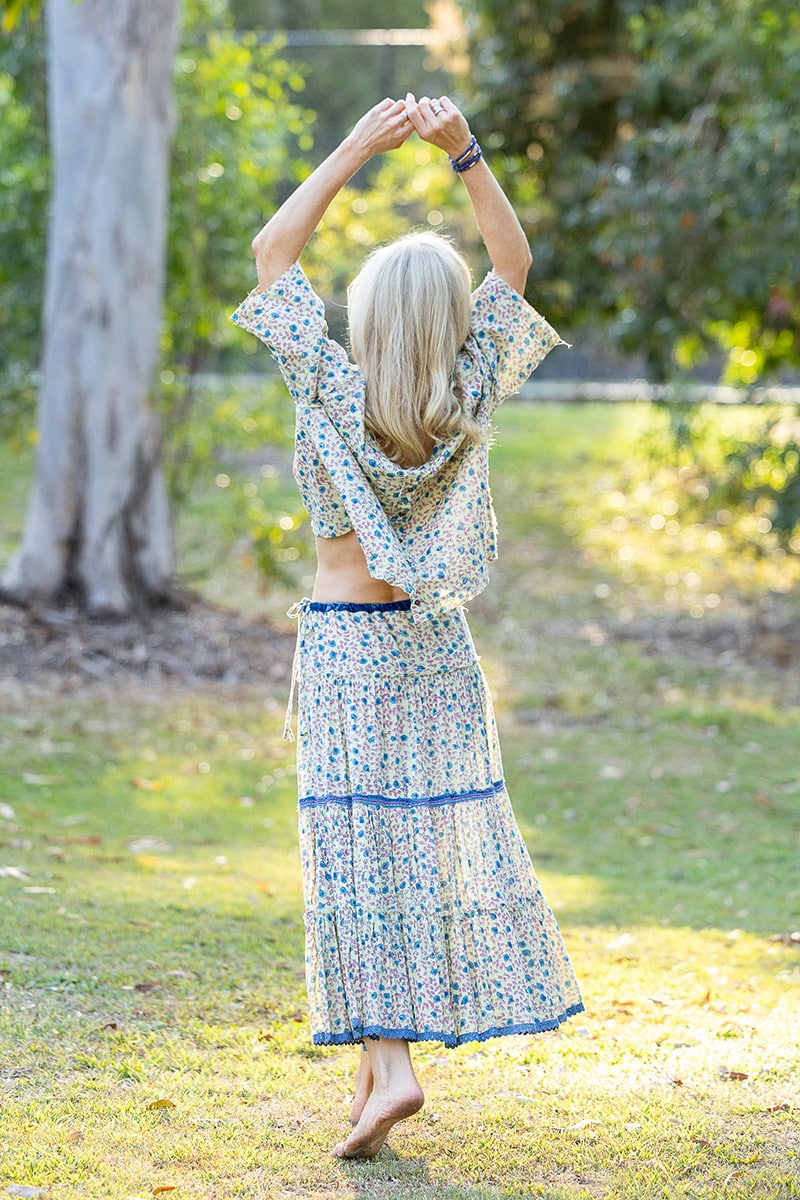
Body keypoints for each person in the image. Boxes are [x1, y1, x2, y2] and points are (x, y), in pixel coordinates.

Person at [231, 92, 584, 1161]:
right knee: (407, 852)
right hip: (430, 652)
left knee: (354, 850)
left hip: (345, 647)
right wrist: (461, 151)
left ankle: (389, 1065)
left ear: (368, 317)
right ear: (451, 328)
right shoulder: (468, 393)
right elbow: (512, 267)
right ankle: (369, 1082)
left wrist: (355, 146)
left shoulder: (326, 383)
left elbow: (269, 250)